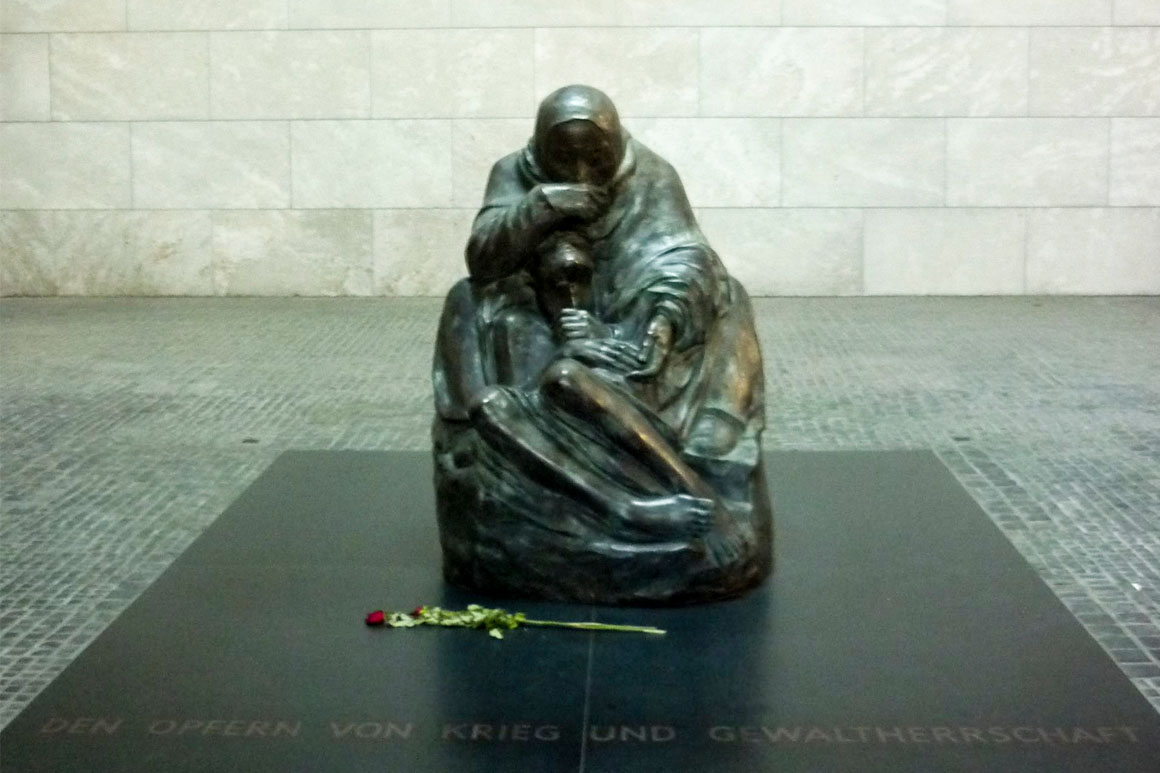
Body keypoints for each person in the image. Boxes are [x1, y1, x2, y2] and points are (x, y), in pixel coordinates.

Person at [433, 85, 765, 574]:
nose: (580, 170)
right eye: (564, 157)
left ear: (615, 145)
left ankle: (691, 475)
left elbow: (685, 259)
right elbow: (484, 260)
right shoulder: (514, 173)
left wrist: (657, 325)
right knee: (471, 317)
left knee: (727, 296)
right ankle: (629, 508)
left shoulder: (650, 175)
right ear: (541, 148)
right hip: (540, 324)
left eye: (594, 156)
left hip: (629, 326)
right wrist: (541, 206)